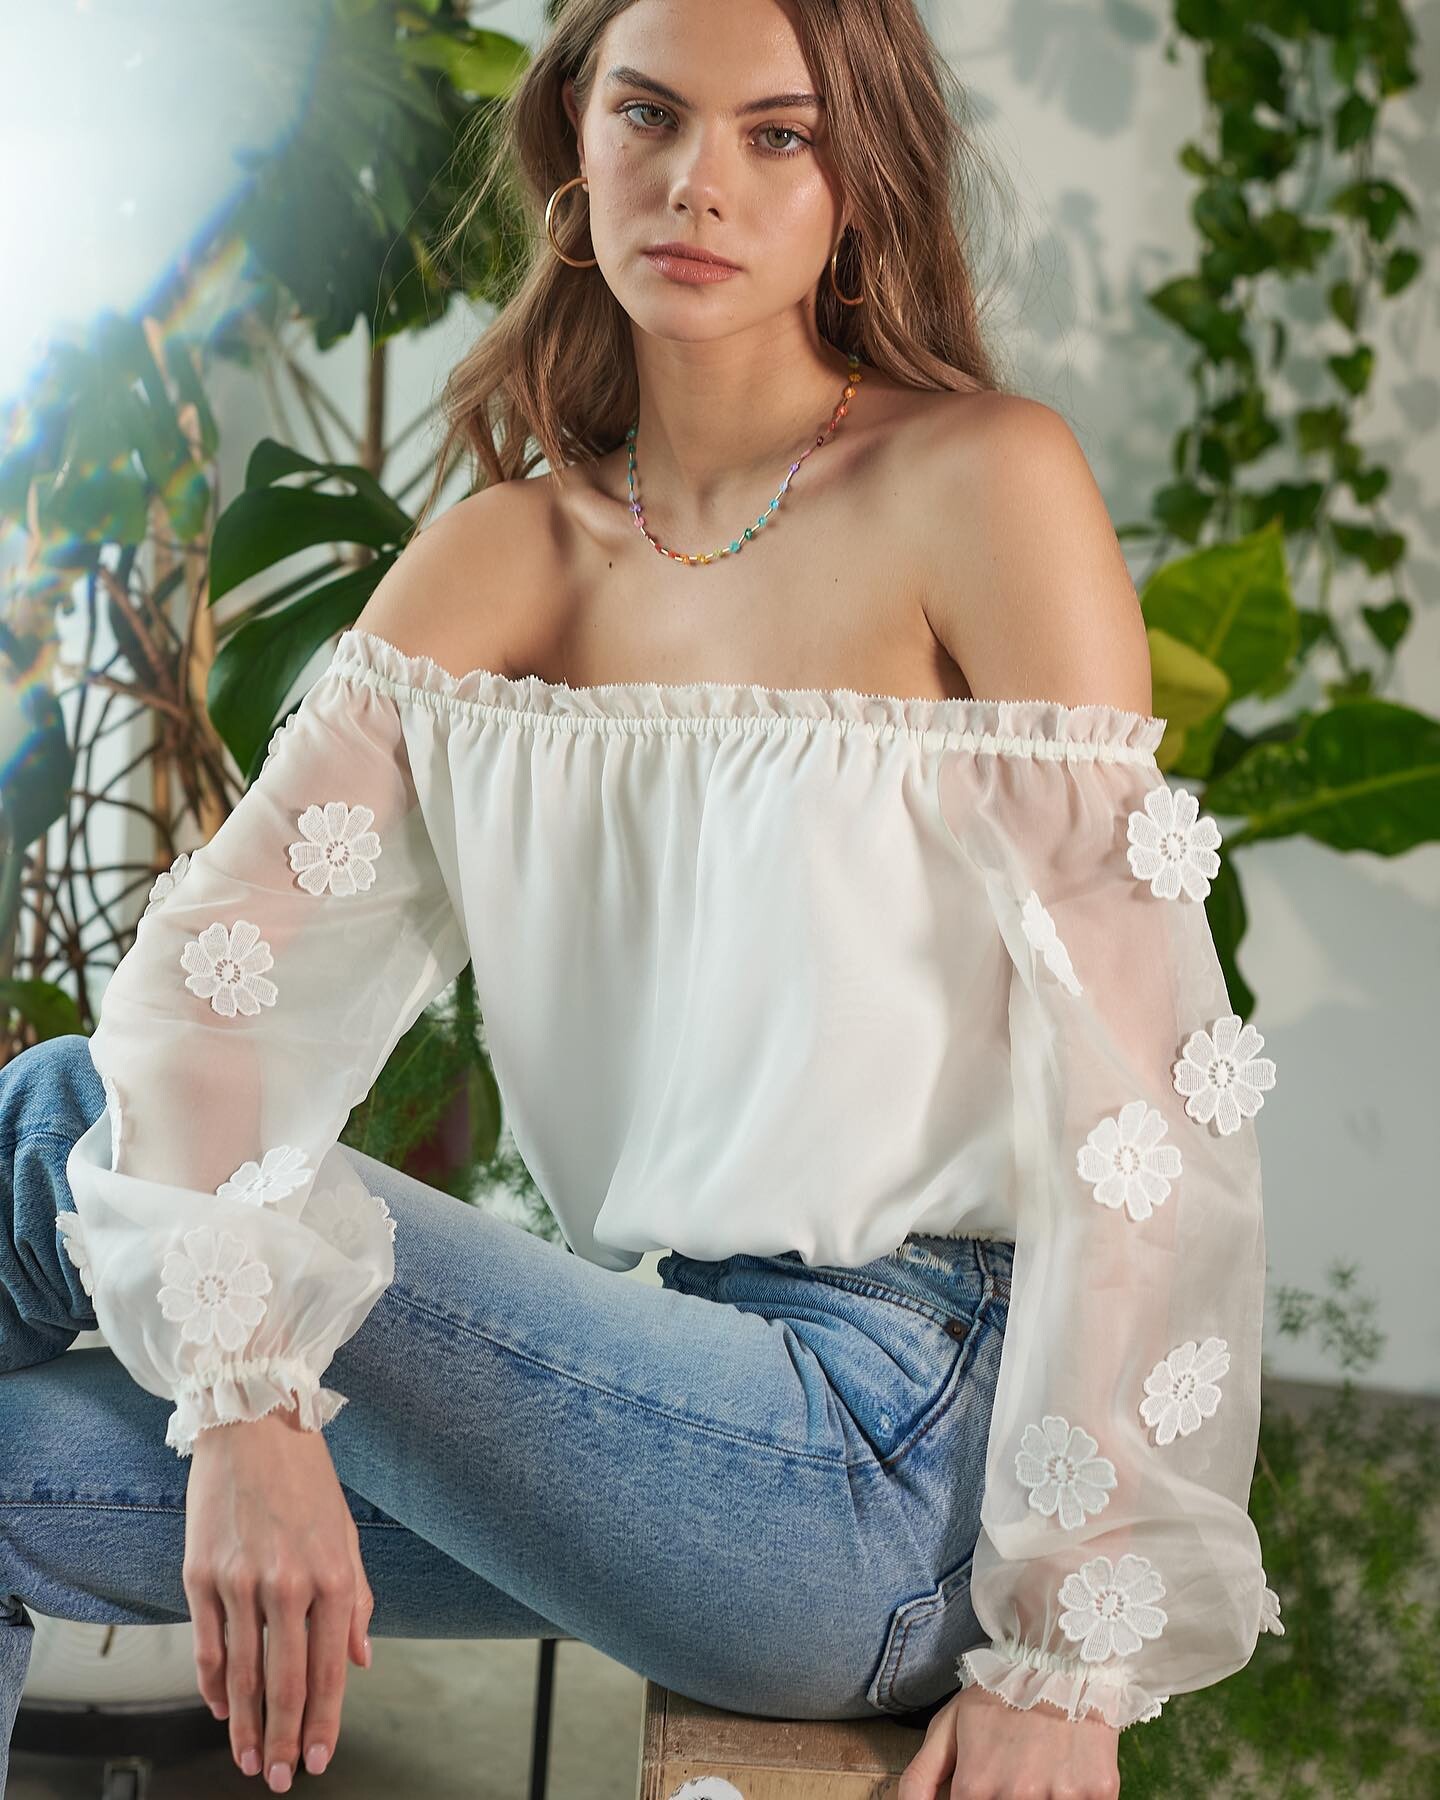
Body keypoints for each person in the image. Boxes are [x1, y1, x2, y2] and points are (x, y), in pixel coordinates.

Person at [0, 1, 1282, 1796]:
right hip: (668, 1431)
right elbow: (218, 991)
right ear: (574, 143)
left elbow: (1136, 1102)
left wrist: (1072, 1656)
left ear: (859, 182)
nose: (699, 184)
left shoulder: (981, 484)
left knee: (62, 1115)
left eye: (780, 134)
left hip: (892, 1458)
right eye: (651, 115)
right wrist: (247, 1411)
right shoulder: (500, 563)